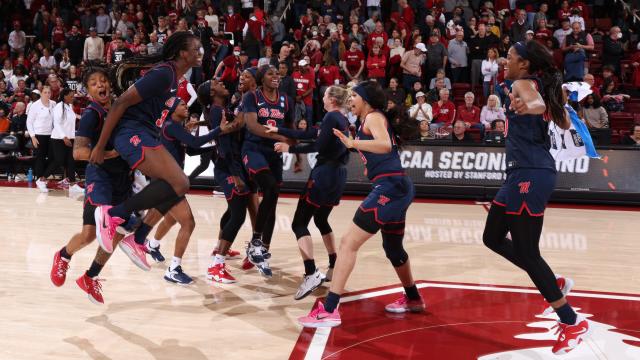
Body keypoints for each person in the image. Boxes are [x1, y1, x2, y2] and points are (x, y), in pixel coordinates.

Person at [482, 41, 590, 355]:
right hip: (520, 173)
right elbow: (563, 121)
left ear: (525, 64)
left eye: (511, 57)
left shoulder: (523, 83)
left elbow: (538, 105)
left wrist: (530, 106)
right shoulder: (536, 84)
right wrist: (542, 105)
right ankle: (552, 281)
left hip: (530, 172)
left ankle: (571, 321)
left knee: (528, 253)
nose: (506, 60)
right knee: (492, 237)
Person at [298, 80, 424, 327]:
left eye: (354, 95)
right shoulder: (370, 118)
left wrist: (352, 143)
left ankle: (330, 309)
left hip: (391, 188)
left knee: (347, 244)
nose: (350, 99)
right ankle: (414, 299)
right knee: (393, 249)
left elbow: (384, 144)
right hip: (398, 187)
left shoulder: (373, 117)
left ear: (366, 99)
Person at [88, 32, 203, 285]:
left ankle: (138, 238)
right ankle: (114, 215)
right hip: (131, 133)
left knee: (179, 185)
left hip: (146, 133)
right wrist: (99, 146)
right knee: (179, 183)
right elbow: (120, 104)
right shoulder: (164, 72)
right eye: (196, 48)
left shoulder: (175, 77)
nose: (200, 52)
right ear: (183, 53)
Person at [49, 66, 139, 305]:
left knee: (117, 233)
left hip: (123, 178)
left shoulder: (121, 107)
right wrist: (111, 153)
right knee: (90, 234)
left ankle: (91, 277)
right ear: (88, 91)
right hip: (100, 177)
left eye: (103, 81)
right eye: (94, 83)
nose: (101, 85)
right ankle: (63, 255)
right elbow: (79, 153)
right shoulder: (92, 114)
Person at [267, 85, 350, 300]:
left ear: (331, 98)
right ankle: (334, 264)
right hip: (339, 174)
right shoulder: (341, 118)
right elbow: (309, 133)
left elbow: (318, 145)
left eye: (324, 95)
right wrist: (279, 130)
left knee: (299, 223)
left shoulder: (332, 117)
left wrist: (289, 149)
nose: (321, 98)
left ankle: (311, 272)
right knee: (321, 219)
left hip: (324, 174)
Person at [240, 65, 294, 277]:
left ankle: (262, 250)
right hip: (253, 149)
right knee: (269, 187)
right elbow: (253, 126)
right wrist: (282, 137)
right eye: (271, 73)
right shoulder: (252, 97)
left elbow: (290, 129)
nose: (276, 76)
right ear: (261, 78)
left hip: (275, 153)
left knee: (272, 198)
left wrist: (295, 152)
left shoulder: (286, 100)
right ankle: (255, 241)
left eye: (278, 74)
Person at [47, 88, 82, 192]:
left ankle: (72, 184)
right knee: (59, 161)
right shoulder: (58, 107)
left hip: (70, 137)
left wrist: (82, 117)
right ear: (65, 96)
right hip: (59, 138)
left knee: (71, 161)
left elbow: (72, 117)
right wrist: (64, 137)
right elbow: (56, 123)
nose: (73, 98)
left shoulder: (69, 106)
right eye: (71, 96)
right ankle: (42, 179)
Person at [26, 85, 56, 193]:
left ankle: (43, 178)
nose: (47, 94)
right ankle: (40, 180)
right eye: (45, 92)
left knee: (54, 158)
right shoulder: (35, 105)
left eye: (49, 92)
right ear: (41, 93)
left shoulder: (53, 104)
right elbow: (29, 122)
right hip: (39, 135)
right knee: (40, 158)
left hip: (52, 135)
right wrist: (33, 136)